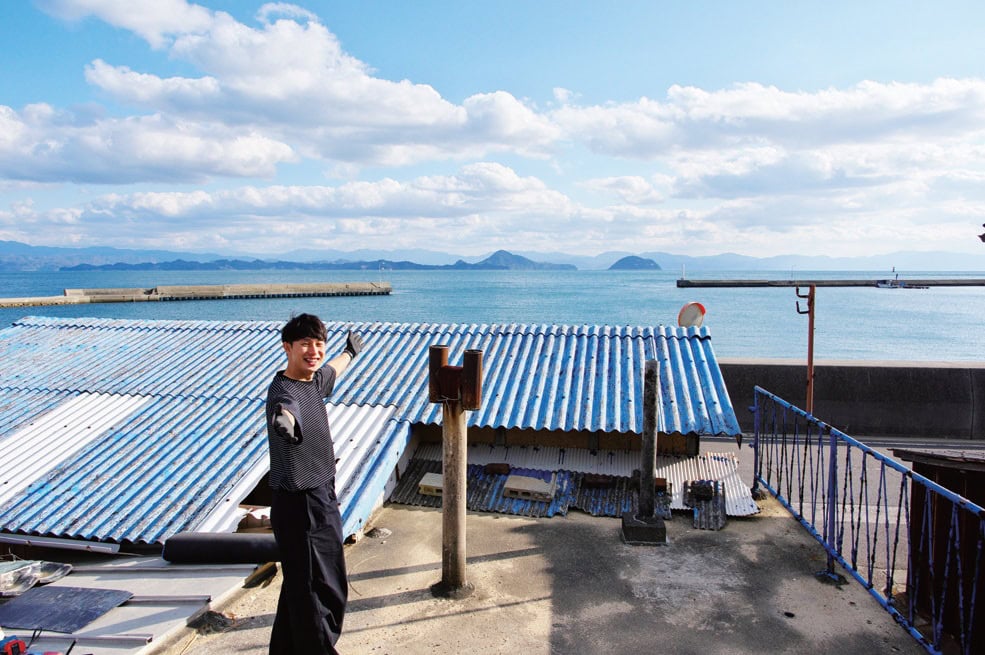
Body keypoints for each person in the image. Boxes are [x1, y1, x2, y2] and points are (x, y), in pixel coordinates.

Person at [265, 313, 363, 655]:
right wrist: (284, 422)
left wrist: (350, 352)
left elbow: (331, 370)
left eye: (319, 343)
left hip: (321, 494)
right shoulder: (285, 391)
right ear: (287, 347)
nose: (314, 350)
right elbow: (284, 409)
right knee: (318, 589)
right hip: (300, 503)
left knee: (300, 584)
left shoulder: (311, 382)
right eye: (305, 343)